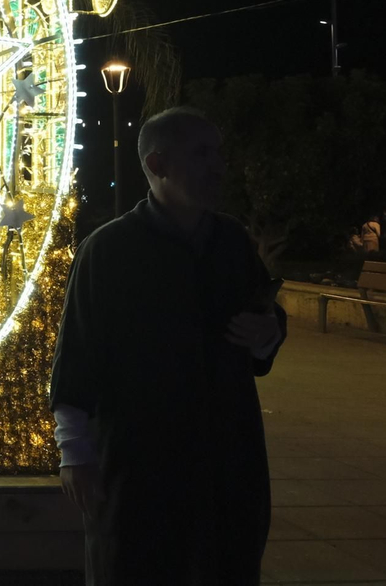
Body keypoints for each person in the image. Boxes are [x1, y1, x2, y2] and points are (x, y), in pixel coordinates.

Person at [50, 106, 285, 585]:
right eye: (201, 154)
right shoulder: (109, 251)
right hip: (140, 462)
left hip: (229, 457)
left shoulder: (231, 242)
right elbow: (77, 355)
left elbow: (264, 317)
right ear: (156, 165)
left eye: (217, 153)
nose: (217, 166)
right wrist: (75, 453)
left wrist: (269, 334)